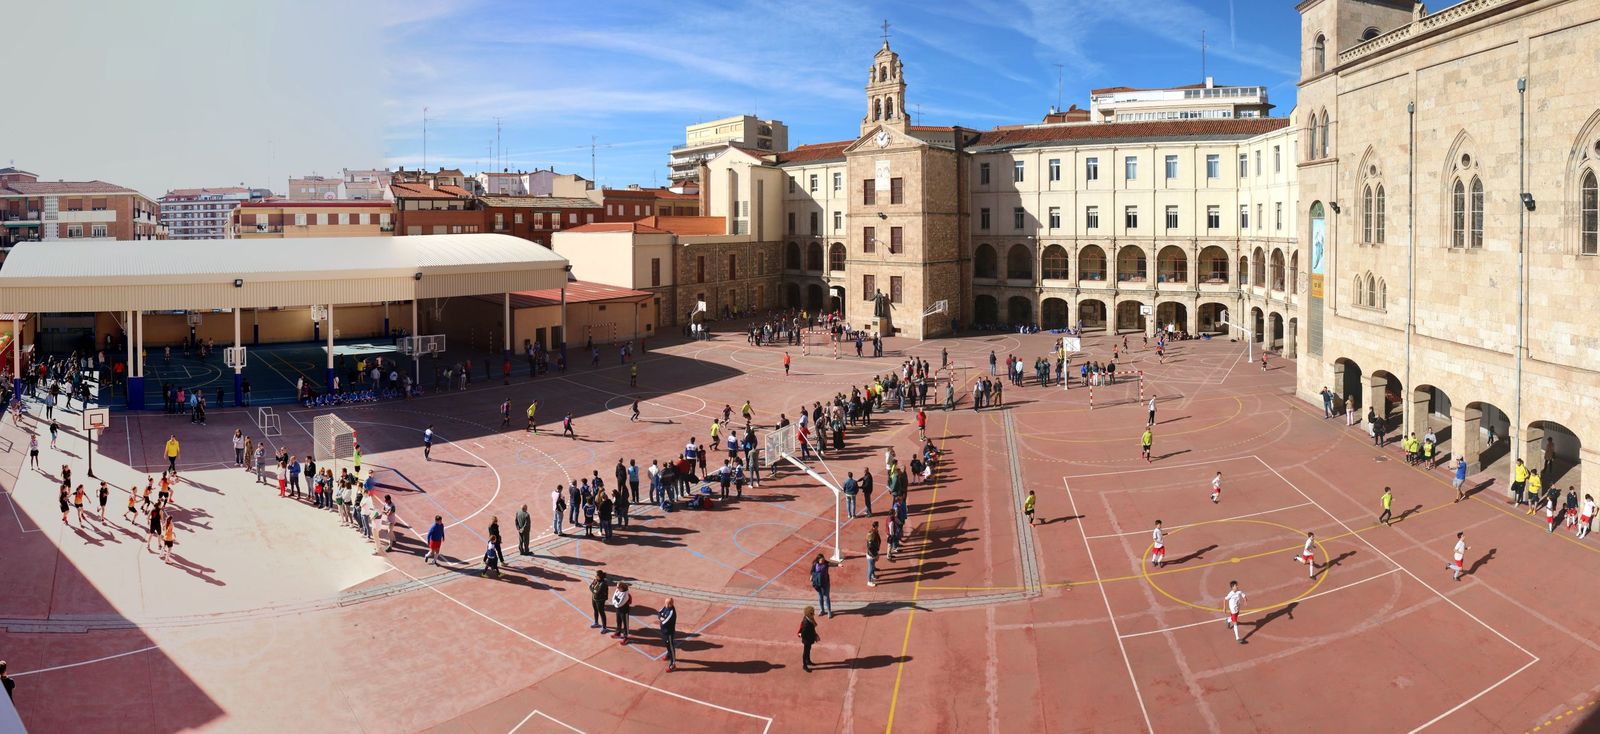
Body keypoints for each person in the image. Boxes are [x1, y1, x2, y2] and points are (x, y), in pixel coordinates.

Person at [798, 606, 821, 672]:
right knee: (806, 651)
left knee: (809, 650)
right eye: (812, 613)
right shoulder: (806, 623)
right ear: (808, 614)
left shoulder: (810, 618)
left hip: (810, 638)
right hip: (807, 640)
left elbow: (812, 628)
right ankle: (804, 665)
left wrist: (814, 635)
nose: (813, 614)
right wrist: (813, 636)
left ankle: (808, 661)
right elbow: (803, 634)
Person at [659, 598, 678, 671]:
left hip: (669, 633)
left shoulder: (671, 612)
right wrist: (661, 618)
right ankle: (668, 654)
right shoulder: (665, 607)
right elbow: (659, 612)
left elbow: (664, 622)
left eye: (666, 603)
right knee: (667, 645)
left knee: (671, 647)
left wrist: (661, 619)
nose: (665, 605)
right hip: (664, 632)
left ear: (670, 604)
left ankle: (673, 664)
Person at [865, 522, 881, 587]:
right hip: (871, 555)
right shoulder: (871, 539)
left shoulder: (874, 532)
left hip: (873, 553)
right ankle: (869, 581)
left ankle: (873, 575)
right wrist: (875, 555)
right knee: (870, 568)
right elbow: (871, 549)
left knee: (873, 565)